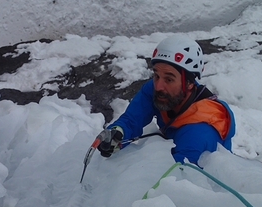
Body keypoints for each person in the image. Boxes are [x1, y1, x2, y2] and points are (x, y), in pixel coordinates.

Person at [97, 35, 235, 166]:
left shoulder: (198, 134)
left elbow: (175, 179)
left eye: (169, 79)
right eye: (156, 75)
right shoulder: (163, 92)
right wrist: (118, 132)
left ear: (190, 83)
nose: (158, 86)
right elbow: (132, 119)